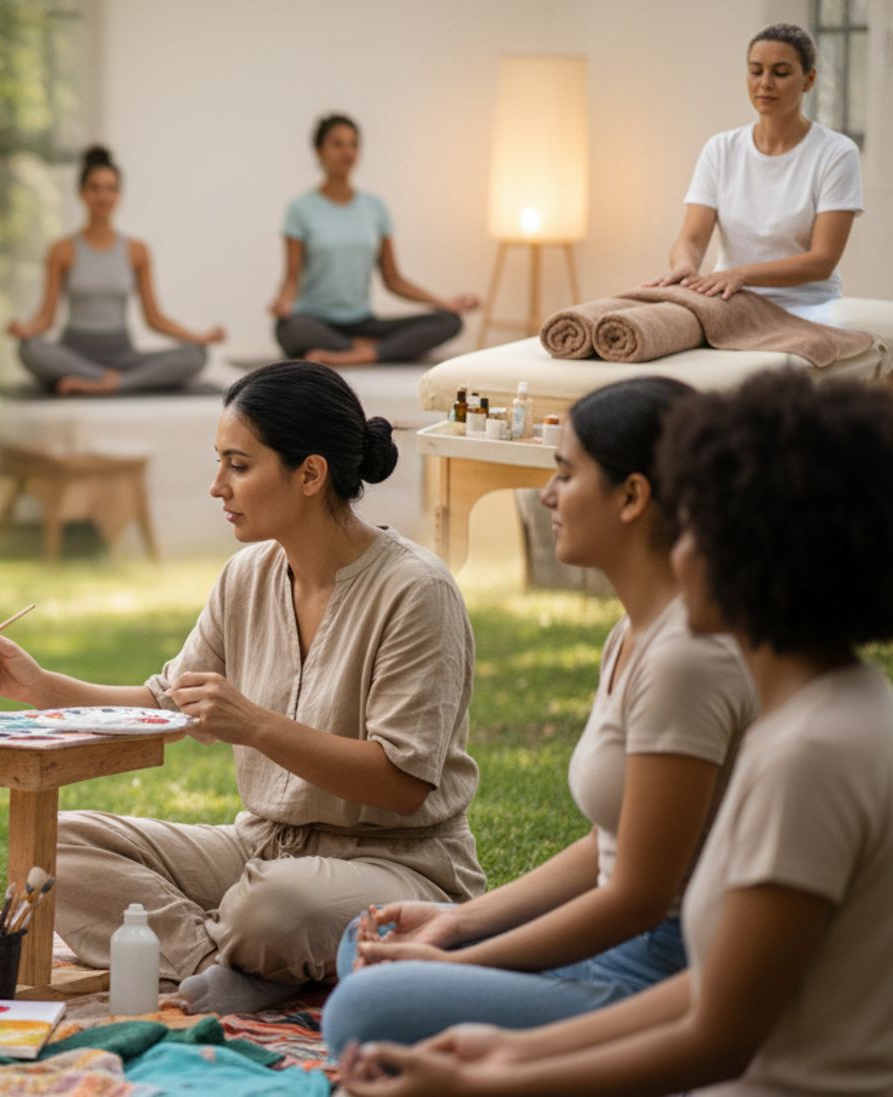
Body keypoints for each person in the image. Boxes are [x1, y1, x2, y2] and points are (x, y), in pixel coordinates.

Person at [342, 369, 893, 1095]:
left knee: (365, 1007)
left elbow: (716, 1034)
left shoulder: (810, 751)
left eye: (694, 522)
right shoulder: (831, 712)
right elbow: (714, 995)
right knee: (375, 961)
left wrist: (490, 1076)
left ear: (755, 550)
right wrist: (497, 1053)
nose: (677, 547)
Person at [0, 359, 484, 1015]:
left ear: (310, 473)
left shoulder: (416, 591)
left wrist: (256, 724)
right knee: (53, 848)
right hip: (260, 847)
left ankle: (249, 945)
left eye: (238, 465)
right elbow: (163, 702)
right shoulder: (246, 576)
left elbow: (403, 783)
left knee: (273, 906)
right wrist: (42, 686)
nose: (217, 486)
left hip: (395, 863)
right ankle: (229, 962)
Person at [321, 378, 755, 1051]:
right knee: (375, 938)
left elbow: (639, 897)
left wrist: (459, 963)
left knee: (362, 1011)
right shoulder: (632, 634)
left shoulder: (686, 660)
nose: (547, 495)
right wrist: (455, 923)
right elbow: (602, 849)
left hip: (656, 970)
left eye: (565, 472)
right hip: (611, 937)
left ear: (633, 496)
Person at [647, 24, 863, 322]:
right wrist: (685, 267)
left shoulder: (836, 153)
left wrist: (742, 274)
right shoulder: (720, 149)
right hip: (729, 300)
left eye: (781, 72)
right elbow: (692, 239)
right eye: (756, 70)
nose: (765, 83)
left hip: (807, 306)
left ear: (809, 80)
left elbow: (822, 261)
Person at [8, 145, 224, 395]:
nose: (103, 196)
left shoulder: (137, 251)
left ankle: (113, 383)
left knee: (196, 356)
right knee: (29, 350)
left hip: (123, 354)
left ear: (119, 194)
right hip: (74, 354)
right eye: (95, 188)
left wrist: (198, 337)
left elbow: (154, 317)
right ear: (82, 193)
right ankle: (106, 378)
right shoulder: (62, 250)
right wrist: (25, 330)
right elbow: (46, 317)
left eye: (110, 188)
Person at [270, 114, 476, 365]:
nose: (347, 152)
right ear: (319, 151)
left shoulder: (374, 208)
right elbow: (292, 279)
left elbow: (393, 279)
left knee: (449, 321)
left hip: (363, 322)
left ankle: (360, 352)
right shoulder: (301, 209)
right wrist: (283, 302)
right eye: (337, 144)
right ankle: (374, 349)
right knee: (289, 329)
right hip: (315, 321)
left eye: (353, 144)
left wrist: (443, 302)